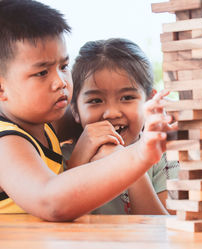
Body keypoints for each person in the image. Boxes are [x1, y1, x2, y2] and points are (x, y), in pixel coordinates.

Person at [0, 0, 173, 221]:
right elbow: (51, 202)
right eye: (42, 73)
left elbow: (103, 116)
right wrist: (139, 154)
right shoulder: (1, 142)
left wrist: (158, 117)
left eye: (63, 67)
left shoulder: (42, 120)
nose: (60, 82)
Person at [63, 38, 179, 215]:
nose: (112, 113)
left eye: (127, 98)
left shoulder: (163, 158)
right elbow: (60, 223)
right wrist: (78, 161)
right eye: (95, 100)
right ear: (76, 110)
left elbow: (167, 235)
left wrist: (131, 166)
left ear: (149, 102)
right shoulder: (63, 158)